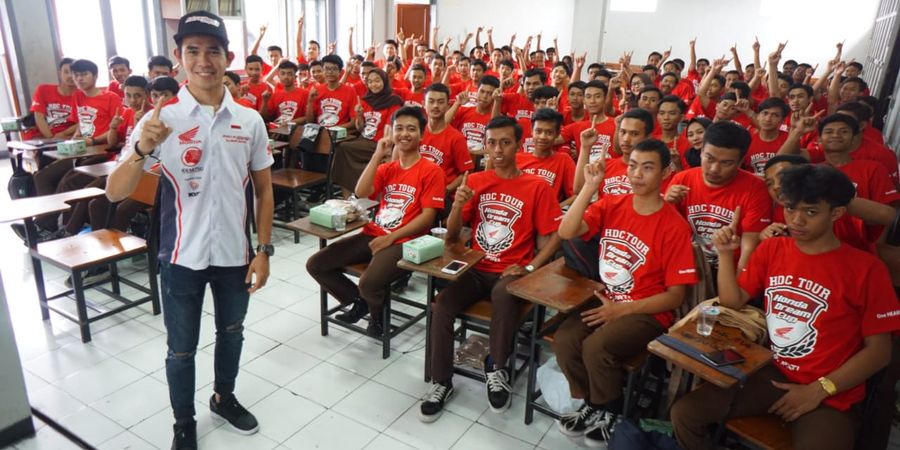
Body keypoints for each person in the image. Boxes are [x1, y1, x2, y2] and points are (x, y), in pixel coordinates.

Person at [105, 11, 274, 449]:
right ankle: (184, 421)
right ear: (179, 59)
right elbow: (113, 192)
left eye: (213, 51)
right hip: (181, 256)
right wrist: (144, 147)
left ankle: (224, 396)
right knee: (181, 349)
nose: (204, 60)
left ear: (228, 57)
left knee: (232, 334)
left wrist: (264, 250)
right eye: (193, 51)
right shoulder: (162, 119)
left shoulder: (249, 120)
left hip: (235, 255)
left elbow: (263, 190)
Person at [671, 164, 900, 450]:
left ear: (837, 213)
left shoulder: (866, 269)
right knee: (685, 413)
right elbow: (733, 300)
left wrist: (817, 390)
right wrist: (726, 255)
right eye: (791, 209)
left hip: (831, 392)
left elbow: (880, 352)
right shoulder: (772, 249)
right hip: (775, 372)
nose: (797, 220)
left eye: (811, 212)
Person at [419, 116, 563, 422]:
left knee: (504, 295)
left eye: (505, 142)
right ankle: (441, 381)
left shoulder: (537, 186)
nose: (497, 149)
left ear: (519, 145)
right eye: (492, 142)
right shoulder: (475, 181)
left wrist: (532, 265)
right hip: (475, 266)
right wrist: (457, 205)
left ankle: (496, 367)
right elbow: (452, 236)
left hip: (511, 271)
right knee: (442, 304)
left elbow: (554, 237)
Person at [555, 138, 697, 445]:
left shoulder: (674, 226)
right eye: (632, 166)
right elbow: (566, 232)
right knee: (565, 340)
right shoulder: (612, 204)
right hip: (609, 298)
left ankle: (612, 411)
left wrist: (621, 310)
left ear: (665, 172)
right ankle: (593, 403)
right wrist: (590, 187)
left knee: (596, 348)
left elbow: (676, 297)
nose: (636, 174)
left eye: (647, 168)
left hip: (647, 311)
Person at [306, 107, 445, 337]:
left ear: (422, 134)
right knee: (316, 264)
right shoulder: (387, 168)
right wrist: (376, 155)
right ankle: (359, 303)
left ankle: (378, 316)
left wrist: (391, 238)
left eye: (411, 129)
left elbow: (427, 218)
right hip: (374, 233)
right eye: (399, 128)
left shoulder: (431, 171)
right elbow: (361, 192)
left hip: (406, 240)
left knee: (369, 282)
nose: (404, 134)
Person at [664, 121, 772, 273]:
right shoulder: (682, 180)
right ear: (701, 152)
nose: (715, 169)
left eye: (726, 163)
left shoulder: (755, 189)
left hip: (729, 270)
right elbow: (664, 236)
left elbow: (748, 250)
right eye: (709, 158)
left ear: (741, 162)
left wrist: (735, 291)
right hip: (687, 267)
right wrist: (665, 206)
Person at [330, 68, 404, 194]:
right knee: (341, 148)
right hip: (364, 140)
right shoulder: (365, 100)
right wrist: (359, 115)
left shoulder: (394, 101)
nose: (373, 84)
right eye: (370, 82)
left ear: (384, 81)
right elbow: (360, 128)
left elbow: (389, 129)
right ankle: (348, 196)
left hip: (377, 143)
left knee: (343, 148)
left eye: (377, 81)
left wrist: (385, 150)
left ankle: (358, 193)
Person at [418, 83, 474, 196]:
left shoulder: (456, 138)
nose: (435, 106)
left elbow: (466, 172)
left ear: (448, 105)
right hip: (415, 188)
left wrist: (447, 189)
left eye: (440, 102)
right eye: (431, 101)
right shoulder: (416, 132)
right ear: (423, 104)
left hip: (440, 195)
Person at [515, 108, 576, 205]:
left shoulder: (564, 160)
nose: (542, 137)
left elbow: (576, 195)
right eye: (538, 131)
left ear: (557, 134)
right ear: (531, 131)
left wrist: (555, 210)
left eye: (549, 132)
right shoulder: (516, 158)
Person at [23, 58, 77, 140]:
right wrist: (51, 139)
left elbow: (83, 122)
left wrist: (63, 134)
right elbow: (39, 117)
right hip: (40, 137)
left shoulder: (83, 96)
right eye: (66, 72)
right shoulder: (43, 90)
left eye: (73, 73)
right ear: (60, 74)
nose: (70, 76)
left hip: (68, 138)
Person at [447, 75, 499, 154]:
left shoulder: (496, 118)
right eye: (482, 91)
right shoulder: (463, 110)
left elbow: (495, 149)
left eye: (489, 93)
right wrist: (457, 104)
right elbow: (442, 124)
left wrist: (471, 153)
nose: (484, 96)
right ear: (476, 91)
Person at [305, 54, 357, 128]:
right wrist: (310, 102)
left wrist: (334, 130)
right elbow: (309, 121)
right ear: (323, 70)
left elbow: (354, 122)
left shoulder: (350, 91)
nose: (330, 72)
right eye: (327, 69)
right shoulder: (317, 90)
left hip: (339, 134)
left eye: (334, 69)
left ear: (340, 71)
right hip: (320, 132)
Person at [743, 97, 790, 175]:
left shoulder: (789, 140)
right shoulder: (746, 138)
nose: (768, 119)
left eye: (775, 115)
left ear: (782, 120)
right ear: (758, 116)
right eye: (765, 113)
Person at [259, 60, 309, 127]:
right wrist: (265, 102)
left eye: (289, 74)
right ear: (279, 76)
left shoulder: (305, 94)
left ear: (295, 77)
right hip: (277, 129)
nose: (286, 77)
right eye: (283, 74)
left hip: (294, 130)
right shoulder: (275, 95)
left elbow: (308, 118)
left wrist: (290, 123)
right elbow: (266, 118)